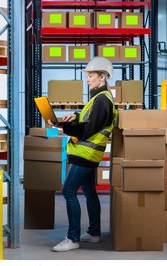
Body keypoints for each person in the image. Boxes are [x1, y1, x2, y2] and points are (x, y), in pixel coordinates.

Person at [48, 56, 117, 252]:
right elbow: (89, 119)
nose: (87, 79)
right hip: (86, 154)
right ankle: (94, 233)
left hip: (85, 154)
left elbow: (88, 130)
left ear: (102, 77)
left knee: (69, 191)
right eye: (87, 75)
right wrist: (75, 116)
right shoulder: (98, 98)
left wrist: (63, 126)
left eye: (91, 75)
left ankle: (73, 238)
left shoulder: (103, 100)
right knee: (89, 192)